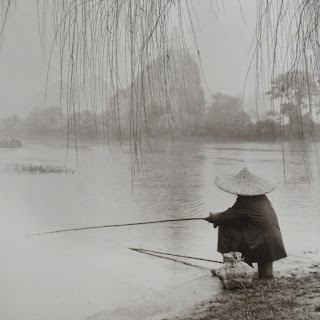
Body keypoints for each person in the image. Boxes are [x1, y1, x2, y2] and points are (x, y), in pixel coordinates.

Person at [205, 167, 287, 278]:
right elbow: (236, 215)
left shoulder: (245, 201)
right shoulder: (261, 198)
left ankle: (230, 267)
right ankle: (243, 266)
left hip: (262, 242)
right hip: (272, 241)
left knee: (224, 227)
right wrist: (217, 217)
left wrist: (214, 217)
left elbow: (228, 216)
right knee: (265, 276)